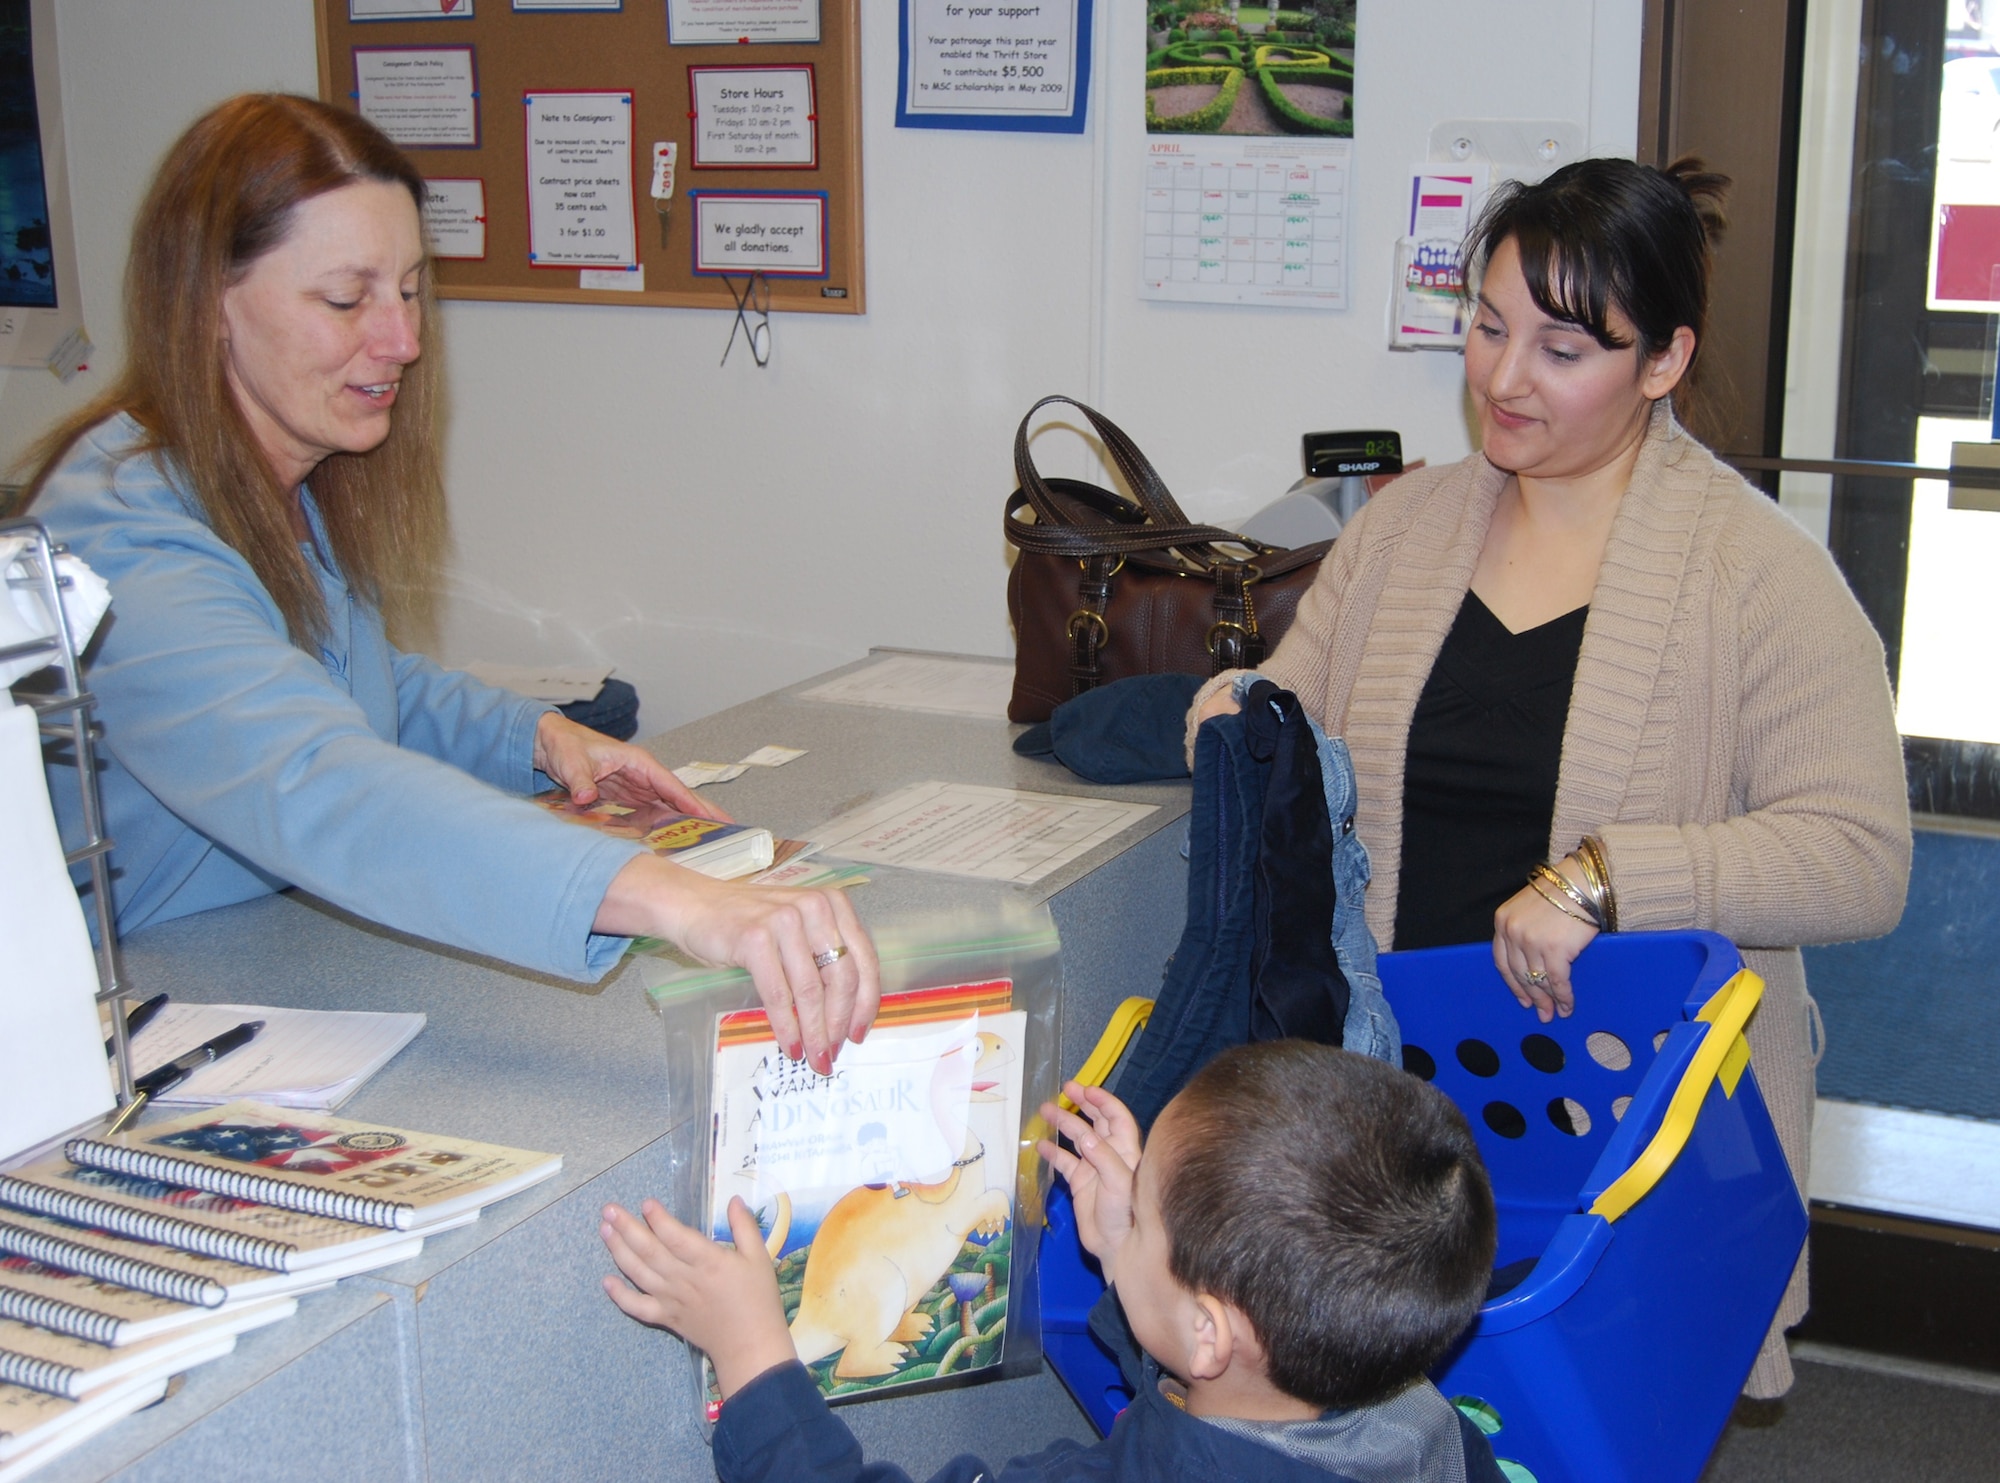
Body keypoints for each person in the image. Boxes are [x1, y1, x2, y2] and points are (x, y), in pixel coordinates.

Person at [1192, 157, 1911, 1396]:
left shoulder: (1759, 576)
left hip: (1611, 1132)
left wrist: (1605, 878)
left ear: (1664, 362)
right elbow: (1284, 697)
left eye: (1562, 349)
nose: (1503, 378)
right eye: (1485, 326)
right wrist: (1229, 713)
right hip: (1393, 1117)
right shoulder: (1404, 531)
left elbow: (1859, 859)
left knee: (1570, 1430)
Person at [23, 94, 874, 1072]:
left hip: (258, 971)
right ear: (209, 303)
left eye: (410, 291)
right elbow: (315, 780)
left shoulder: (283, 478)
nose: (401, 341)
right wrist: (675, 897)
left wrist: (537, 737)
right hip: (119, 1034)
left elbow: (352, 681)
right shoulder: (118, 529)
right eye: (347, 299)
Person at [598, 1040, 1504, 1483]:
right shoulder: (1414, 1417)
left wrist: (756, 1360)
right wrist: (1131, 1254)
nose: (1122, 1203)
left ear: (1209, 1330)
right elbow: (1222, 1371)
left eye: (1141, 1209)